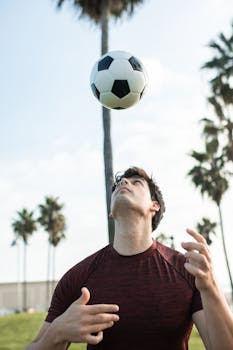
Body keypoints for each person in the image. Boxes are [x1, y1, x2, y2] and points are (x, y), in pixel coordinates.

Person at [26, 166, 233, 350]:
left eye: (136, 182)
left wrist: (210, 287)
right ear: (111, 212)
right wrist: (57, 332)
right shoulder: (78, 278)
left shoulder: (187, 271)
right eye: (118, 184)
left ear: (154, 206)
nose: (123, 183)